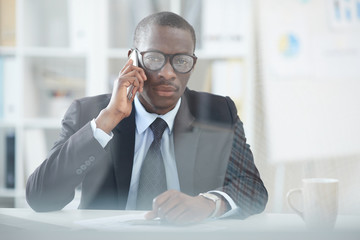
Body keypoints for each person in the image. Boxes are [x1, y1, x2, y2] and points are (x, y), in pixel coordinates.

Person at [26, 11, 267, 224]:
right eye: (154, 58)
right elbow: (41, 198)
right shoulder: (89, 114)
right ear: (133, 59)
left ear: (192, 65)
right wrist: (108, 120)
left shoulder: (218, 112)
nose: (168, 73)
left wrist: (208, 204)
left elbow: (253, 189)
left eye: (181, 61)